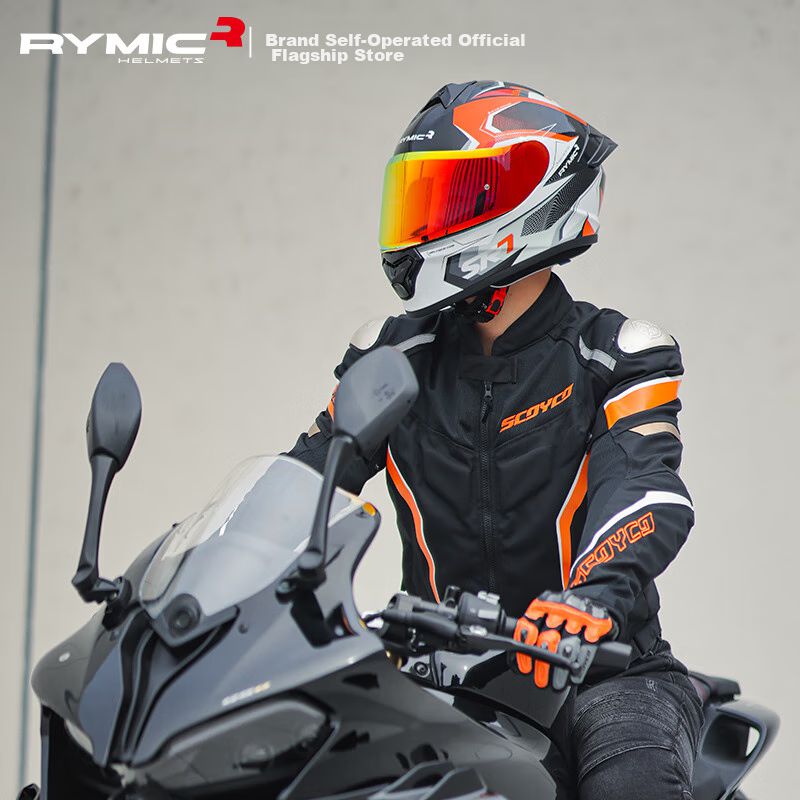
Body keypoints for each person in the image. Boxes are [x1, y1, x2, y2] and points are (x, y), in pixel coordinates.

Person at [288, 80, 703, 798]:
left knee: (629, 779)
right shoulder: (394, 359)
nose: (423, 223)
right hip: (434, 671)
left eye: (449, 197)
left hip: (602, 674)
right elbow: (305, 482)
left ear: (526, 204)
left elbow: (644, 486)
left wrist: (588, 602)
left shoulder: (615, 356)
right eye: (417, 198)